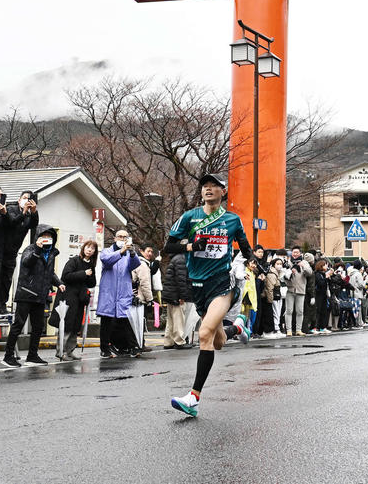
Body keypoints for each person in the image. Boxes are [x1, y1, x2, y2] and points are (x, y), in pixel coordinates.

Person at [162, 173, 253, 418]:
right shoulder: (190, 217)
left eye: (214, 186)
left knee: (204, 334)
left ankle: (193, 397)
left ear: (223, 192)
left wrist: (253, 261)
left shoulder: (232, 220)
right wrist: (191, 246)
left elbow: (246, 249)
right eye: (205, 186)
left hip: (222, 284)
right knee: (218, 341)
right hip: (197, 285)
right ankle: (237, 328)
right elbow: (168, 247)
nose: (209, 189)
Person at [3, 223, 63, 367]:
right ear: (38, 237)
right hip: (26, 293)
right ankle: (8, 356)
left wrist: (59, 282)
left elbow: (49, 272)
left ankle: (32, 355)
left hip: (41, 294)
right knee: (18, 324)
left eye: (50, 236)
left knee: (38, 326)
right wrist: (37, 248)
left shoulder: (52, 253)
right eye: (44, 236)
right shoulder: (30, 249)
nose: (47, 238)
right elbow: (26, 262)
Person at [96, 229, 142, 359]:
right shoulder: (107, 251)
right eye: (120, 237)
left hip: (123, 292)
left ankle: (133, 347)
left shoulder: (128, 253)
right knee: (106, 322)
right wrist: (121, 252)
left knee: (126, 321)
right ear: (115, 238)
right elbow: (107, 260)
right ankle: (104, 349)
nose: (122, 239)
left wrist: (132, 254)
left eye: (125, 237)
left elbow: (135, 265)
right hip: (109, 293)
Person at [57, 238, 99, 359]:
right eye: (88, 247)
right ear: (83, 248)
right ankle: (61, 351)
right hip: (69, 297)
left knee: (76, 326)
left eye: (92, 249)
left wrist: (89, 275)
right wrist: (84, 274)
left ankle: (70, 350)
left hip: (81, 298)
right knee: (67, 324)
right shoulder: (74, 261)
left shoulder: (91, 265)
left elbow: (91, 283)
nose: (90, 250)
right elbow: (65, 276)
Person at [0, 191, 40, 313]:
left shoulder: (29, 216)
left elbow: (34, 224)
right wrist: (23, 212)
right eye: (24, 198)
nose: (26, 200)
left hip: (12, 253)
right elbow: (12, 222)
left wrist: (33, 212)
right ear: (19, 200)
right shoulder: (11, 209)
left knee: (7, 280)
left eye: (29, 199)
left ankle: (2, 304)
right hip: (1, 251)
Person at [160, 244, 190, 350]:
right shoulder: (182, 259)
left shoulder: (174, 258)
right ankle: (179, 341)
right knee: (178, 318)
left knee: (171, 319)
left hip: (170, 293)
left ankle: (168, 341)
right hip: (176, 294)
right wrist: (182, 296)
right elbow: (181, 280)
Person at [286, 247, 311, 336]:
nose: (295, 254)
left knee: (300, 311)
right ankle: (288, 330)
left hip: (301, 290)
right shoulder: (288, 263)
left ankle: (298, 330)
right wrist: (290, 271)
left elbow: (309, 273)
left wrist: (303, 266)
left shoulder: (304, 262)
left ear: (300, 253)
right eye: (294, 252)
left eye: (297, 252)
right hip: (290, 289)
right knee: (289, 311)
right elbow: (284, 274)